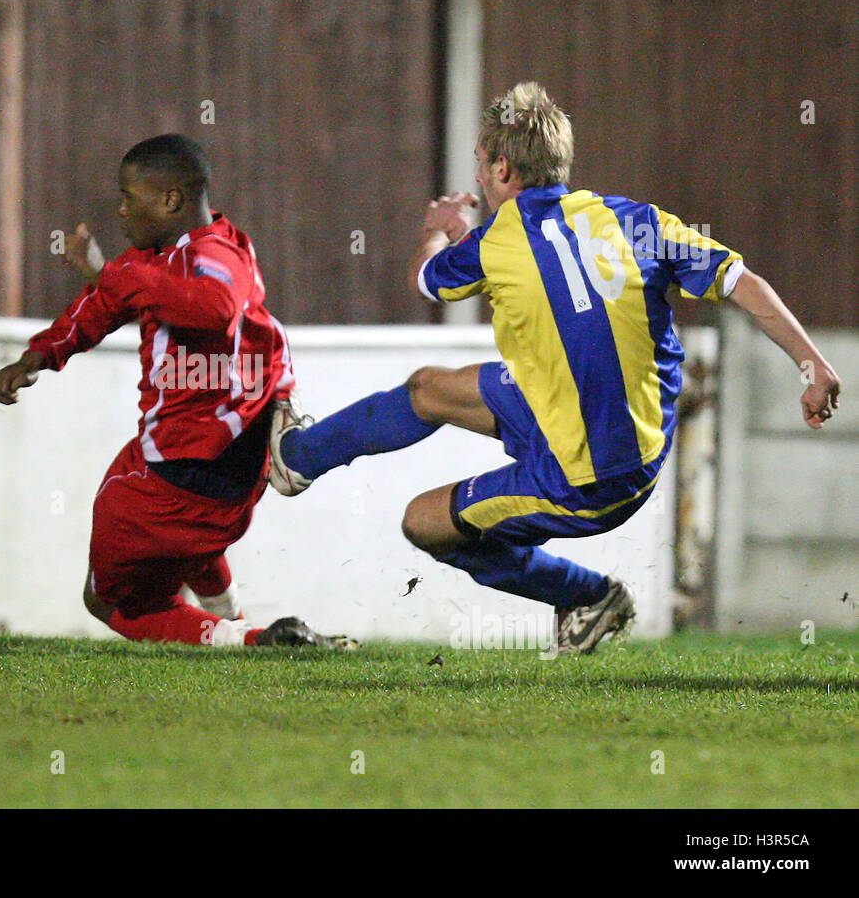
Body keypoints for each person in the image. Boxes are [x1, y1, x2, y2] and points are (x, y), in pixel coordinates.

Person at [268, 83, 842, 654]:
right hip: (605, 424)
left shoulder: (495, 240)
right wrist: (810, 363)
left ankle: (589, 596)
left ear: (500, 167)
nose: (478, 177)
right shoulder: (635, 221)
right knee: (428, 389)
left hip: (590, 478)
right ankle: (296, 460)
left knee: (422, 521)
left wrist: (439, 230)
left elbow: (428, 279)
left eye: (479, 165)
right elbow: (742, 283)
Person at [0, 133, 354, 650]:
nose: (120, 210)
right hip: (235, 479)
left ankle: (248, 641)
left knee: (111, 602)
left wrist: (109, 273)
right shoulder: (191, 250)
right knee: (185, 540)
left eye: (128, 196)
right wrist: (41, 354)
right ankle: (231, 614)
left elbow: (211, 305)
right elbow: (106, 303)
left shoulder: (209, 257)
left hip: (179, 471)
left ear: (170, 200)